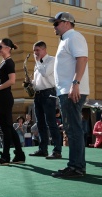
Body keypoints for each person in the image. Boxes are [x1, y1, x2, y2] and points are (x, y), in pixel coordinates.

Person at [48, 12, 89, 177]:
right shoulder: (66, 39)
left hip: (71, 90)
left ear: (66, 23)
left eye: (56, 23)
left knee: (73, 130)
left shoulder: (73, 37)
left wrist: (75, 84)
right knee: (72, 129)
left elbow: (82, 59)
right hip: (67, 90)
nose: (54, 27)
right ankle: (76, 165)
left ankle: (76, 167)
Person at [0, 38, 25, 165]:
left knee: (6, 129)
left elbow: (12, 81)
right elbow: (2, 80)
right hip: (2, 98)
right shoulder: (3, 62)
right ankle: (19, 154)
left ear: (8, 48)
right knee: (9, 127)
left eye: (0, 47)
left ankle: (5, 156)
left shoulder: (9, 63)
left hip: (5, 98)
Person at [27, 41, 62, 159]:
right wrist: (30, 83)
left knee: (51, 123)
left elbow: (46, 73)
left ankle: (57, 150)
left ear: (44, 50)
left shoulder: (52, 60)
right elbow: (38, 81)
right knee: (40, 123)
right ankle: (43, 149)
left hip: (49, 93)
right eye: (34, 51)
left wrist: (38, 61)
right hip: (38, 94)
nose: (35, 53)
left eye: (37, 50)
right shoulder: (37, 64)